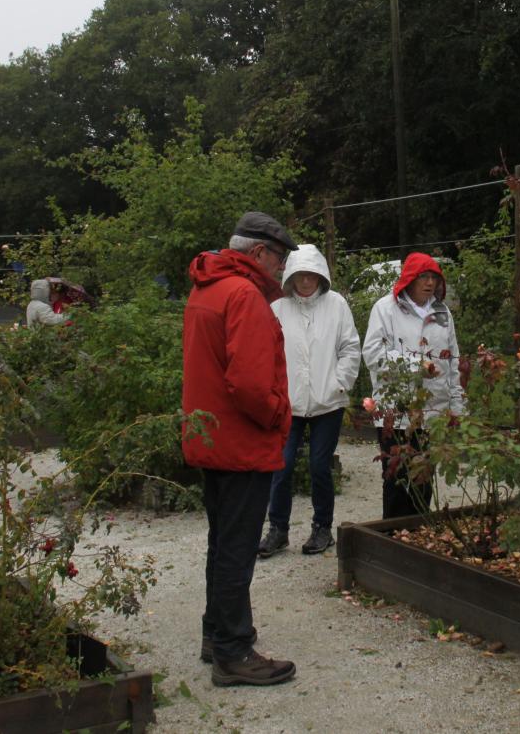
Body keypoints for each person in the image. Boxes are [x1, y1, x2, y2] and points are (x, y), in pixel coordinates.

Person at [181, 211, 300, 687]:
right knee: (236, 549)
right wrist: (279, 416)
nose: (283, 267)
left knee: (221, 543)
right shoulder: (244, 295)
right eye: (280, 257)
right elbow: (250, 384)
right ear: (258, 253)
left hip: (212, 437)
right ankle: (234, 651)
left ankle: (217, 635)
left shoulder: (207, 287)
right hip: (240, 441)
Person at [258, 245, 361, 558]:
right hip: (288, 403)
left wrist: (339, 385)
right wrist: (274, 390)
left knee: (319, 465)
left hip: (327, 402)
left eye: (311, 275)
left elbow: (350, 348)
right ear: (291, 275)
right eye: (300, 275)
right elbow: (267, 353)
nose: (306, 281)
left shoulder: (336, 304)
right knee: (282, 464)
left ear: (321, 275)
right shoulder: (278, 307)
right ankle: (278, 529)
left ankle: (322, 528)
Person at [361, 252, 465, 519]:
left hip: (433, 412)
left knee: (423, 479)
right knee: (396, 478)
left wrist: (457, 408)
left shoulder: (442, 313)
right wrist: (414, 365)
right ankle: (392, 538)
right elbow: (373, 355)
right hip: (395, 412)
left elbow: (453, 362)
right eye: (423, 277)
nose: (429, 283)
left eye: (433, 277)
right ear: (409, 279)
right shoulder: (385, 309)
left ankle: (418, 539)